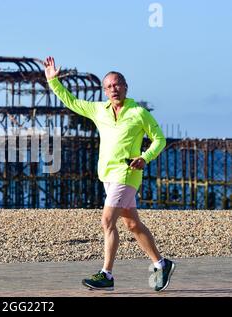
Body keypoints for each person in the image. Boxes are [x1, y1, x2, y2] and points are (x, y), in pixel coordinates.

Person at [43, 56, 175, 292]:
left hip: (127, 172)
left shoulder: (139, 112)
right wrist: (53, 81)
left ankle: (107, 275)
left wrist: (145, 157)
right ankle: (161, 264)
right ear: (104, 91)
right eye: (109, 86)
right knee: (133, 224)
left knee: (107, 220)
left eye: (118, 84)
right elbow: (71, 101)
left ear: (126, 86)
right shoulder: (98, 110)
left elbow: (160, 139)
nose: (114, 89)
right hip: (107, 174)